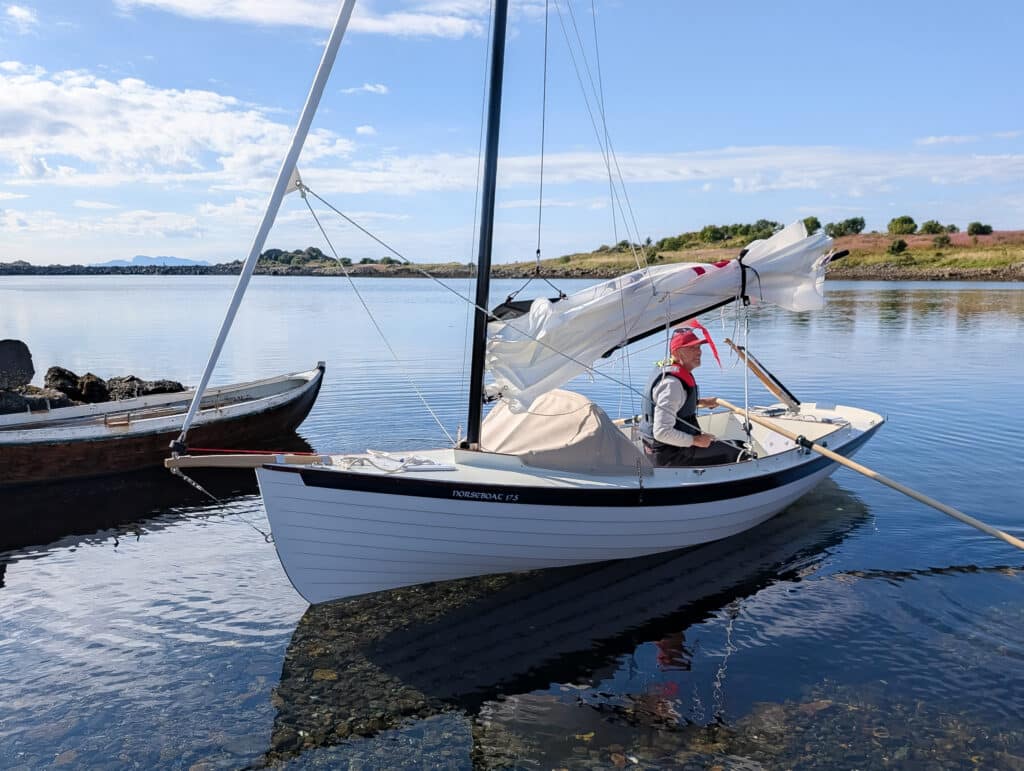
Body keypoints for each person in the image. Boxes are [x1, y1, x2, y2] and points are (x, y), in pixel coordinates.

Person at [639, 326, 742, 467]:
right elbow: (661, 432)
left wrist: (700, 402)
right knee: (739, 448)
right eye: (692, 348)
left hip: (662, 451)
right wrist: (696, 440)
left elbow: (673, 405)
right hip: (671, 456)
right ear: (677, 352)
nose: (699, 352)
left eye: (699, 347)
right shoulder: (672, 384)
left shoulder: (669, 375)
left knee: (730, 445)